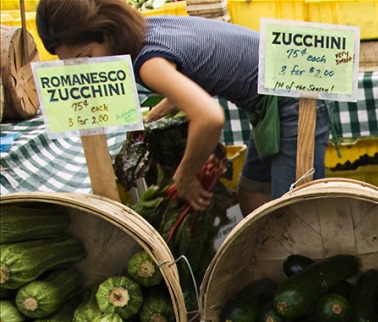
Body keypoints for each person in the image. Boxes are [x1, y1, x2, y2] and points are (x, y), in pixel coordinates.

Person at [35, 0, 330, 215]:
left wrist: (186, 174)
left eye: (85, 56)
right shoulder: (147, 30)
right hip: (276, 97)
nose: (84, 66)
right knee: (253, 195)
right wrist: (156, 113)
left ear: (108, 36)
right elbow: (192, 72)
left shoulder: (147, 62)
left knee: (292, 211)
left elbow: (209, 117)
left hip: (294, 102)